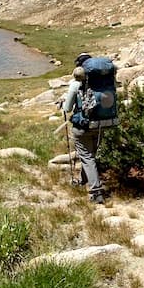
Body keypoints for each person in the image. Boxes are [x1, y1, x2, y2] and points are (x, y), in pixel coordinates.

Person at [60, 52, 105, 204]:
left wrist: (63, 102)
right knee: (90, 156)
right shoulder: (102, 82)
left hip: (83, 127)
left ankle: (96, 192)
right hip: (101, 125)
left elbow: (67, 108)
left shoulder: (75, 84)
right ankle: (83, 181)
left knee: (87, 157)